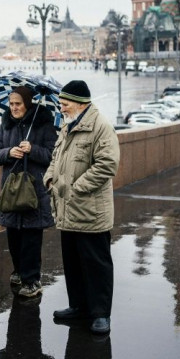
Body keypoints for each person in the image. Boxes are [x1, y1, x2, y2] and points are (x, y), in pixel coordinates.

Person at [44, 80, 120, 335]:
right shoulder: (68, 126)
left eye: (64, 104)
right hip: (67, 209)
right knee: (73, 263)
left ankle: (100, 314)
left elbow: (107, 165)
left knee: (96, 264)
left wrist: (76, 187)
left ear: (79, 103)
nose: (61, 108)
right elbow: (56, 158)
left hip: (90, 212)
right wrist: (50, 177)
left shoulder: (101, 126)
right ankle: (79, 307)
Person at [0, 86, 57, 298]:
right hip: (11, 191)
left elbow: (53, 155)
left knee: (31, 239)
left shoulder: (43, 124)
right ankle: (19, 271)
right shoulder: (6, 124)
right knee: (14, 238)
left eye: (18, 104)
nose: (14, 108)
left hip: (34, 191)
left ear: (28, 104)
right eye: (11, 104)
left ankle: (32, 280)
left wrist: (32, 149)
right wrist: (9, 152)